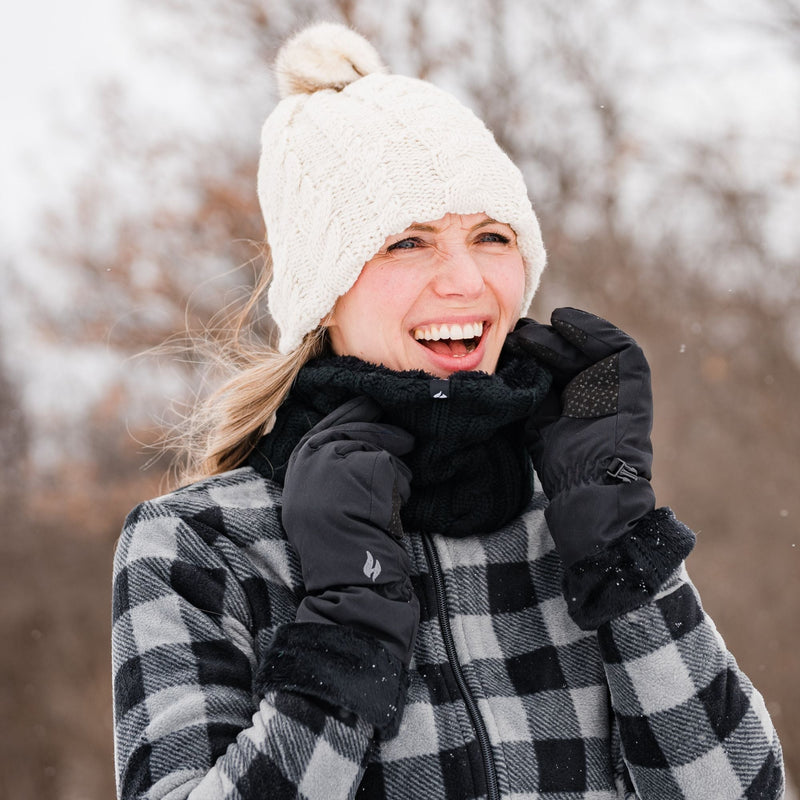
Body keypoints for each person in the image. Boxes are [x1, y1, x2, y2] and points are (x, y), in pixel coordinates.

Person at [111, 22, 784, 800]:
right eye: (409, 242)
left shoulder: (569, 515)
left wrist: (622, 550)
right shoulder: (202, 543)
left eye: (492, 237)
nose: (465, 281)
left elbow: (740, 790)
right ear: (323, 295)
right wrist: (346, 634)